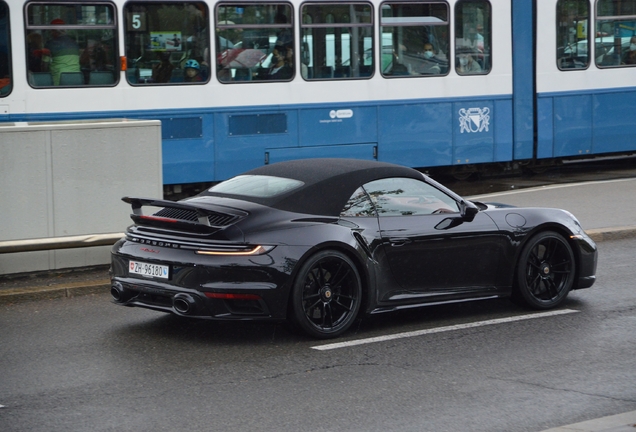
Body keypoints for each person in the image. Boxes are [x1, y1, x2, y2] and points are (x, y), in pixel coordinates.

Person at [45, 19, 80, 85]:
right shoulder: (74, 43)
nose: (51, 33)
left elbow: (44, 64)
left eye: (51, 31)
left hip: (59, 79)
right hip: (76, 78)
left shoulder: (50, 44)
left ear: (54, 31)